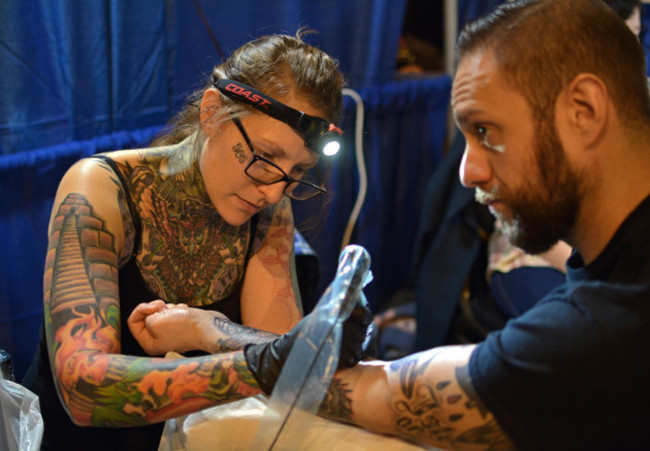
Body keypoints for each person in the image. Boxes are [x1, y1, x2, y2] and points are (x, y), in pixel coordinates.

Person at [303, 0, 650, 449]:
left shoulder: (606, 334)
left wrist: (240, 356)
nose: (467, 172)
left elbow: (392, 395)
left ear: (583, 109)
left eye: (486, 131)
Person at [21, 31, 372, 450]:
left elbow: (285, 376)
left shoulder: (268, 209)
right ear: (211, 112)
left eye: (297, 172)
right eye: (265, 157)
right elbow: (83, 392)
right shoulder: (98, 187)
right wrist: (260, 360)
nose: (275, 192)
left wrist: (205, 329)